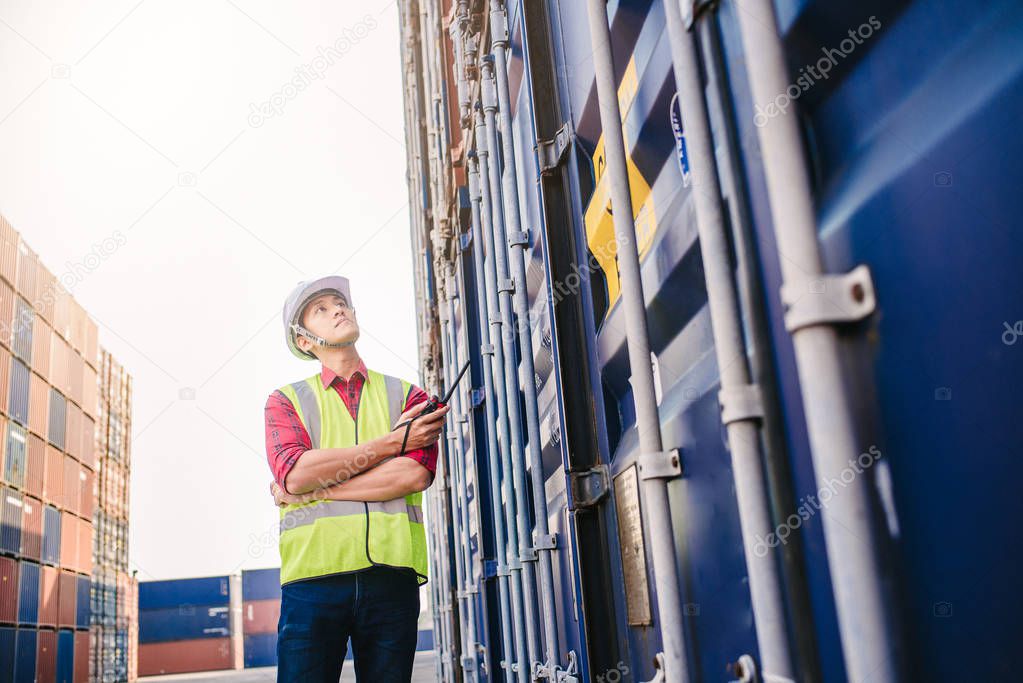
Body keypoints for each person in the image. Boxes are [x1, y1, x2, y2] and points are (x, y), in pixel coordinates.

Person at [264, 275, 449, 682]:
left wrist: (317, 491)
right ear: (304, 340)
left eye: (340, 302)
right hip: (313, 580)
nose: (338, 309)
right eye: (321, 309)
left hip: (392, 576)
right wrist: (392, 442)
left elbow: (412, 475)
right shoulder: (285, 400)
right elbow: (295, 473)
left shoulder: (408, 396)